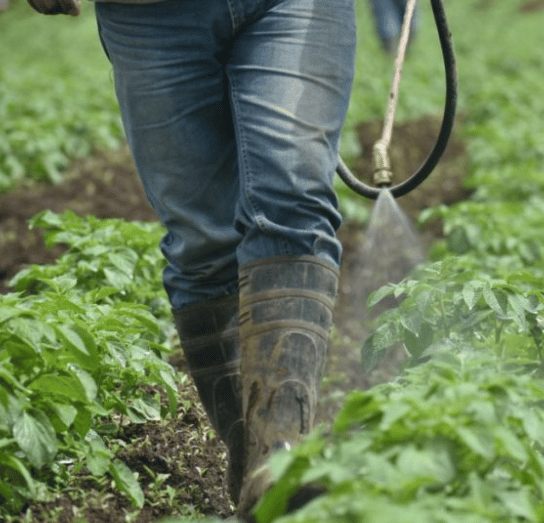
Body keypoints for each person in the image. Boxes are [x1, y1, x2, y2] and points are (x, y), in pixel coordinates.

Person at [28, 0, 356, 520]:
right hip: (148, 14)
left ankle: (281, 453)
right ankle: (253, 462)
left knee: (292, 196)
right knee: (203, 244)